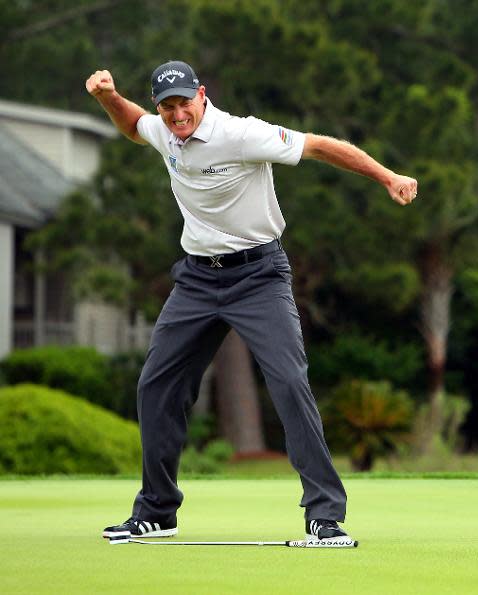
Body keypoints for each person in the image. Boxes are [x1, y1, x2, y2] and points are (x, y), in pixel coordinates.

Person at [88, 60, 418, 543]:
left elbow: (321, 147)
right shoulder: (163, 130)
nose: (178, 114)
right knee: (155, 387)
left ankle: (324, 515)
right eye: (168, 106)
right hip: (197, 280)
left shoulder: (242, 134)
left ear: (202, 95)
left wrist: (387, 176)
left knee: (288, 383)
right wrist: (106, 97)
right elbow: (135, 125)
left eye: (184, 103)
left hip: (259, 276)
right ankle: (157, 511)